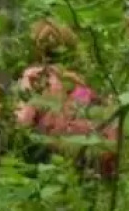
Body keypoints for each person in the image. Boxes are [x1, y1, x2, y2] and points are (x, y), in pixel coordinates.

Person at [14, 20, 119, 178]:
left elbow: (22, 121)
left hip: (52, 159)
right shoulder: (82, 85)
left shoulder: (35, 77)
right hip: (86, 158)